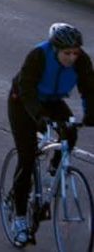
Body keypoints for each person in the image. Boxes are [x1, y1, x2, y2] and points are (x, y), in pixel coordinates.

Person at [6, 23, 94, 247]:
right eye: (67, 53)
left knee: (70, 134)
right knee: (27, 158)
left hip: (52, 101)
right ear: (55, 49)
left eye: (75, 53)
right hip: (23, 102)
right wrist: (38, 117)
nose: (72, 58)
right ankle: (19, 219)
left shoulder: (82, 61)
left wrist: (91, 114)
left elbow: (89, 89)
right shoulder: (38, 56)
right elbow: (26, 89)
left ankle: (53, 171)